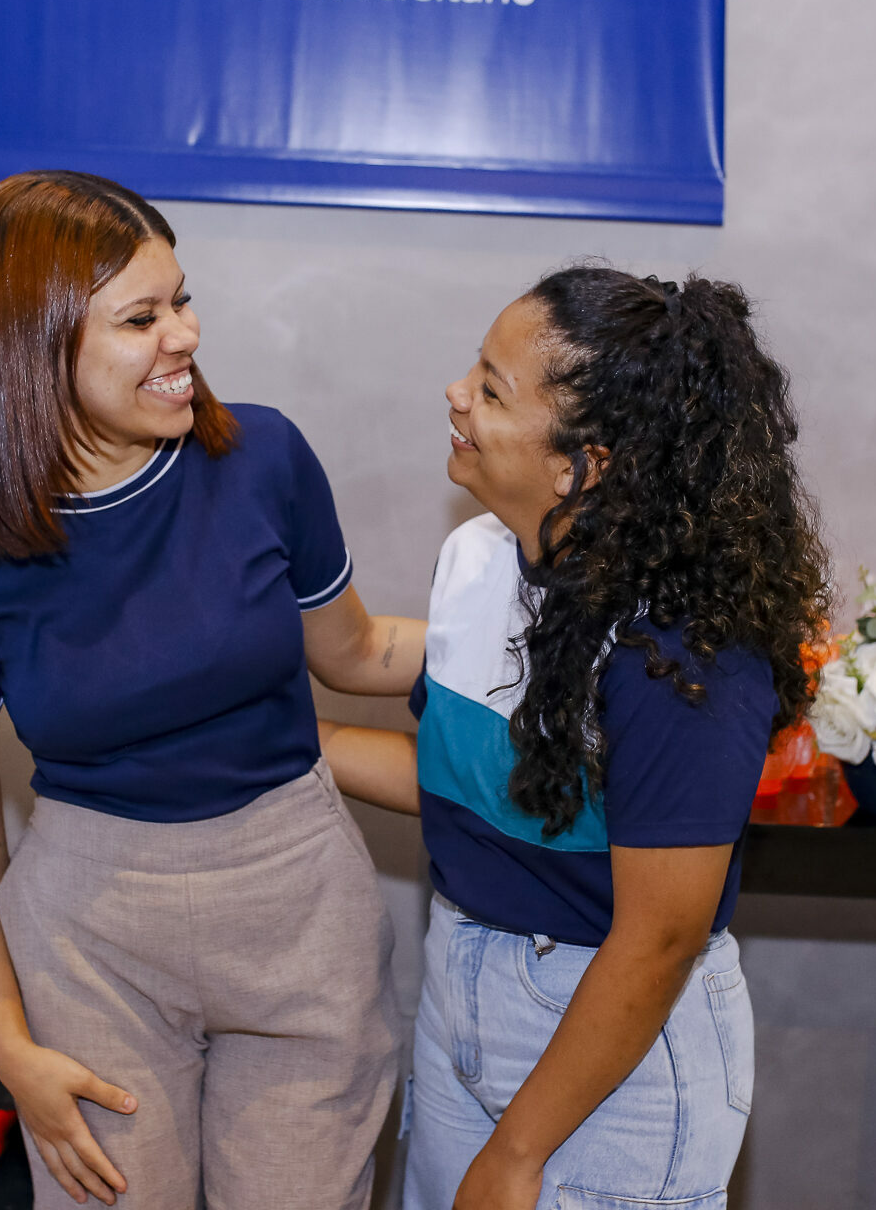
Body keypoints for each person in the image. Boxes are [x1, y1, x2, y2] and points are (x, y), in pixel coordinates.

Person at [0, 171, 419, 1209]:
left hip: (298, 907)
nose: (185, 335)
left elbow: (359, 653)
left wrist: (543, 649)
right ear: (32, 347)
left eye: (181, 300)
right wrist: (7, 1041)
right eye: (142, 319)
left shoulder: (264, 457)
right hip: (91, 943)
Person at [323, 266, 831, 1210]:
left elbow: (660, 938)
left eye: (490, 389)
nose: (453, 393)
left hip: (612, 1044)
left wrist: (518, 1154)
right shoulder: (479, 557)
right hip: (459, 988)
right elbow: (457, 784)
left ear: (581, 467)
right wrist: (273, 737)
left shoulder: (686, 657)